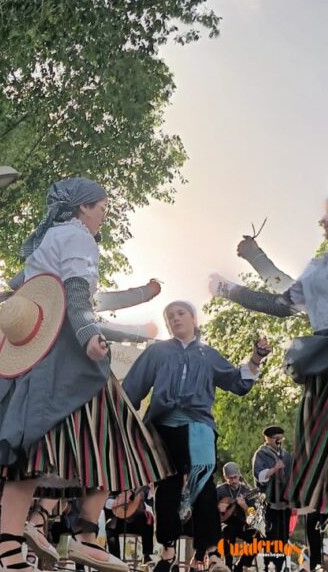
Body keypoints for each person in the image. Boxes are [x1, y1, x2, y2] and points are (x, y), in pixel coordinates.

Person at [0, 178, 171, 572]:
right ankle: (83, 535)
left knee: (34, 448)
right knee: (115, 439)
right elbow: (76, 294)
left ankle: (15, 544)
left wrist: (141, 295)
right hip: (65, 355)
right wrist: (89, 337)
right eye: (101, 206)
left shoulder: (49, 238)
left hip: (30, 355)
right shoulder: (79, 239)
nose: (105, 213)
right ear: (83, 208)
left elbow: (36, 288)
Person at [211, 207, 328, 572]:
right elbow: (281, 298)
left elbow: (279, 300)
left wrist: (233, 280)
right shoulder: (320, 270)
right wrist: (253, 259)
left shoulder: (320, 270)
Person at [122, 301, 268, 572]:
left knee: (204, 485)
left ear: (193, 318)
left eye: (180, 314)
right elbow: (132, 388)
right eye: (169, 316)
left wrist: (256, 357)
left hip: (199, 425)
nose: (175, 319)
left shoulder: (207, 354)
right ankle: (167, 553)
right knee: (167, 486)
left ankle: (212, 555)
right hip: (163, 425)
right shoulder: (157, 352)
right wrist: (120, 421)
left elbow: (237, 382)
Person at [252, 426, 294, 572]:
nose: (280, 440)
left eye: (281, 437)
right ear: (268, 439)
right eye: (277, 437)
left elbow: (292, 476)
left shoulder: (287, 455)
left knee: (283, 536)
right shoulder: (261, 454)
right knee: (271, 535)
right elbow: (260, 476)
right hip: (268, 502)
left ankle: (280, 566)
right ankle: (267, 564)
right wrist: (274, 469)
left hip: (284, 502)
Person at [216, 463, 259, 572]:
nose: (233, 480)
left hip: (242, 525)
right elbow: (209, 513)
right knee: (227, 532)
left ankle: (240, 565)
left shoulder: (246, 491)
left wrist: (244, 506)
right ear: (225, 477)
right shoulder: (220, 491)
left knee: (259, 538)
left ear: (239, 475)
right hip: (226, 525)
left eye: (235, 477)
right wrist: (218, 509)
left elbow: (252, 516)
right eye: (230, 478)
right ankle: (228, 566)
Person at [104, 486, 155, 563]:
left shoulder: (140, 484)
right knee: (111, 526)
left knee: (148, 517)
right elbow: (106, 503)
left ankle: (146, 555)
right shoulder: (114, 484)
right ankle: (116, 560)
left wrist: (151, 491)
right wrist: (122, 501)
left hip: (136, 520)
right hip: (119, 520)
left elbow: (150, 501)